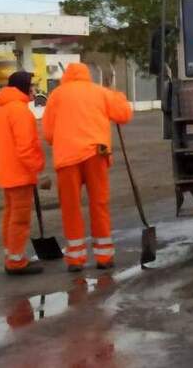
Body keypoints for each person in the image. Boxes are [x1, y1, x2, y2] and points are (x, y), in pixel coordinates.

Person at [43, 63, 133, 272]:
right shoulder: (100, 92)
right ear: (87, 75)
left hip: (67, 159)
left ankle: (75, 259)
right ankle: (104, 257)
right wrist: (117, 96)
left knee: (71, 207)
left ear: (66, 77)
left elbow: (48, 134)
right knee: (99, 204)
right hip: (96, 154)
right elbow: (124, 115)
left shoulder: (57, 95)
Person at [0, 71, 45, 275]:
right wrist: (37, 167)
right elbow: (26, 147)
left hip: (7, 172)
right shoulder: (19, 111)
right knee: (20, 218)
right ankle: (16, 261)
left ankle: (12, 254)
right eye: (31, 85)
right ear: (23, 87)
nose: (33, 89)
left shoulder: (2, 110)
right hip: (20, 173)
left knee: (10, 215)